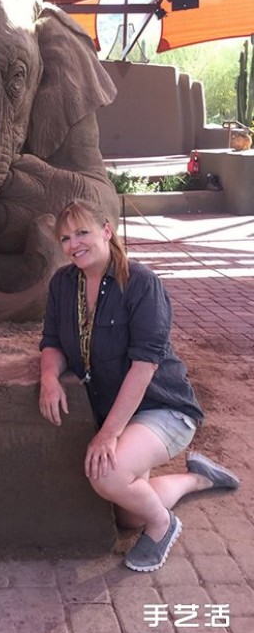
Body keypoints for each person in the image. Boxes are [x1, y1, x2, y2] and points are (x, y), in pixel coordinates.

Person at [39, 199, 239, 572]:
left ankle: (163, 526)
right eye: (65, 238)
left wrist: (107, 435)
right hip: (119, 409)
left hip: (162, 407)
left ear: (106, 231)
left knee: (108, 474)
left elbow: (144, 367)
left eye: (82, 232)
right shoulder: (63, 284)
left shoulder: (141, 283)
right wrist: (49, 377)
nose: (73, 244)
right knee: (129, 516)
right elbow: (52, 341)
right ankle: (197, 478)